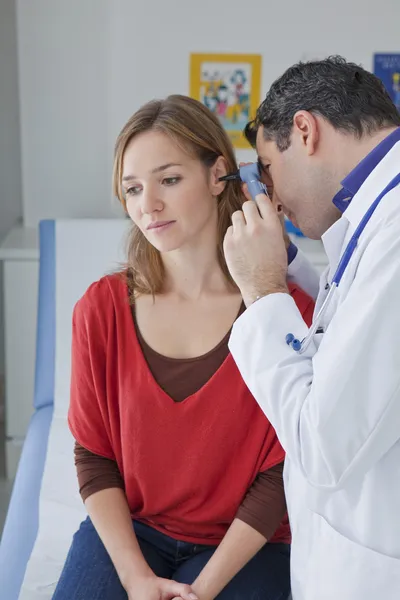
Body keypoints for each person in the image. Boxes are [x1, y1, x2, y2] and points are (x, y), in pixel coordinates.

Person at [53, 95, 314, 600]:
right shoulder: (101, 308)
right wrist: (134, 577)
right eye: (133, 188)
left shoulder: (281, 311)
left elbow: (282, 471)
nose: (147, 205)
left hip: (248, 546)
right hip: (133, 534)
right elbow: (94, 454)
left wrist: (203, 589)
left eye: (168, 180)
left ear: (219, 174)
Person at [223, 56, 400, 600]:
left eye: (269, 170)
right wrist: (290, 270)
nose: (271, 197)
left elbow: (323, 447)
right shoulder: (375, 218)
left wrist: (262, 290)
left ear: (305, 130)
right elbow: (348, 330)